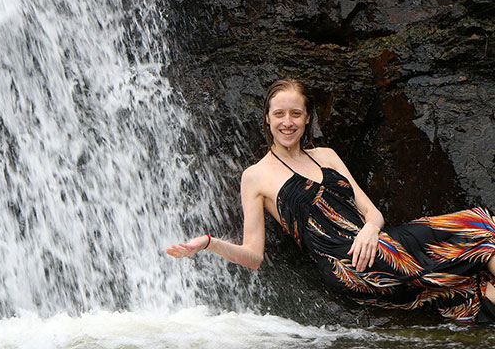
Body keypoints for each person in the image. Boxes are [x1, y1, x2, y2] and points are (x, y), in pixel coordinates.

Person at [166, 78, 495, 323]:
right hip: (348, 265)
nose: (287, 122)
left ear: (307, 117)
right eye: (279, 114)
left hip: (379, 243)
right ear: (267, 118)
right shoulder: (256, 176)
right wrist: (209, 243)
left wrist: (369, 230)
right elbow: (253, 256)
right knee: (483, 225)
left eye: (296, 113)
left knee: (474, 286)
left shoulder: (326, 155)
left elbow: (372, 212)